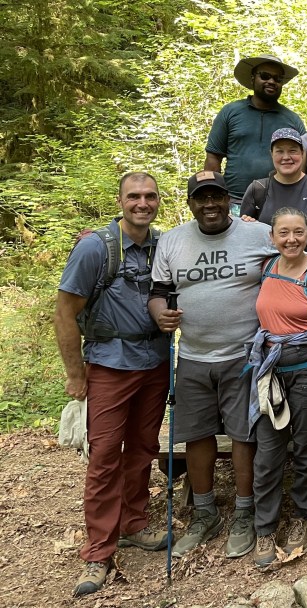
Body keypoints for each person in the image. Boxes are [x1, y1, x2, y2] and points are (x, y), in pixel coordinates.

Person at [148, 170, 277, 560]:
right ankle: (205, 514)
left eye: (216, 196)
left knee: (243, 436)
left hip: (245, 355)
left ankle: (244, 513)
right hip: (192, 355)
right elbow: (159, 292)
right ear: (190, 203)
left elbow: (292, 265)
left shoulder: (259, 234)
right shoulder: (172, 241)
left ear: (228, 199)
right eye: (201, 198)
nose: (210, 204)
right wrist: (159, 314)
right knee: (197, 435)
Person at [55, 172, 171, 597]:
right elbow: (65, 313)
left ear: (158, 200)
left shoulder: (162, 245)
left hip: (155, 362)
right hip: (108, 363)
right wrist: (75, 373)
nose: (142, 203)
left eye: (150, 196)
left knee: (143, 448)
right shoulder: (96, 248)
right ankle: (98, 550)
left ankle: (133, 523)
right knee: (104, 455)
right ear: (120, 200)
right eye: (134, 196)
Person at [246, 208, 307, 568]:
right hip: (271, 372)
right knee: (267, 453)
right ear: (272, 237)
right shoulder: (267, 267)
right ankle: (264, 528)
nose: (291, 239)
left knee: (306, 449)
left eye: (298, 232)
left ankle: (303, 517)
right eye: (283, 233)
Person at [205, 55, 305, 212]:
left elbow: (303, 161)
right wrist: (211, 196)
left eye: (277, 78)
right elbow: (213, 157)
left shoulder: (292, 119)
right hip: (234, 202)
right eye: (265, 76)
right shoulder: (230, 112)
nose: (271, 81)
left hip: (279, 202)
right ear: (253, 78)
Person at [239, 128, 307, 256]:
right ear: (271, 154)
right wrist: (249, 224)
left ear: (302, 153)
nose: (286, 157)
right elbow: (244, 236)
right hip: (267, 264)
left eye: (292, 151)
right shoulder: (258, 189)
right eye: (279, 151)